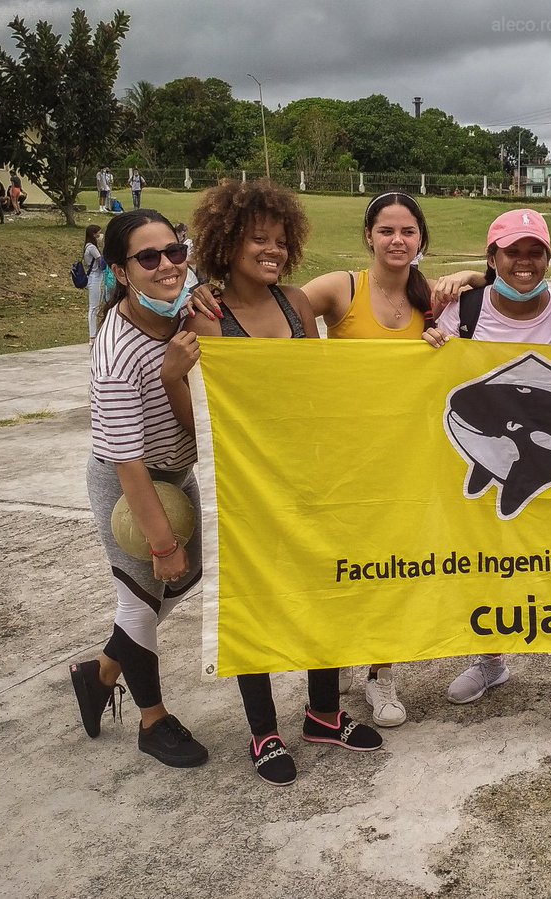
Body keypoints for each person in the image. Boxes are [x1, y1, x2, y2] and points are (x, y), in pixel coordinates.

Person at [186, 191, 473, 729]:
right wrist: (196, 286)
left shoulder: (416, 299)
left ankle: (352, 691)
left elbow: (493, 286)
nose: (396, 240)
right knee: (283, 585)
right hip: (283, 469)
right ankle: (277, 724)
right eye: (386, 230)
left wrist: (469, 282)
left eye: (408, 231)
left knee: (362, 575)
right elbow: (210, 339)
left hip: (372, 461)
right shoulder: (319, 293)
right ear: (368, 235)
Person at [163, 179, 383, 786]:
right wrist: (173, 380)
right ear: (227, 241)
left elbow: (316, 387)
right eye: (259, 239)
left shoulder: (296, 304)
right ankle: (263, 732)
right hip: (248, 484)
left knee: (325, 588)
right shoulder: (206, 315)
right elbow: (201, 422)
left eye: (281, 241)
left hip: (312, 474)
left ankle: (323, 713)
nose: (273, 251)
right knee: (255, 600)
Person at [423, 209, 551, 731]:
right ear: (492, 256)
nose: (524, 262)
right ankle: (490, 660)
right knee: (486, 558)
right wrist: (428, 349)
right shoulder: (464, 308)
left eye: (534, 252)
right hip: (485, 454)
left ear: (547, 256)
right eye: (511, 252)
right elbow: (428, 375)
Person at [67, 209, 209, 769]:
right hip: (129, 483)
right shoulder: (116, 355)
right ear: (122, 272)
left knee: (179, 583)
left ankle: (99, 673)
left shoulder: (183, 295)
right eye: (148, 258)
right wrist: (161, 543)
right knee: (141, 598)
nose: (167, 265)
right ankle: (153, 721)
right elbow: (127, 464)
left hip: (176, 472)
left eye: (175, 251)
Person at [83, 224, 105, 340]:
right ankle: (92, 334)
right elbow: (101, 262)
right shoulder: (91, 247)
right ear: (93, 234)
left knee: (99, 305)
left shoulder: (90, 246)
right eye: (98, 233)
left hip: (98, 277)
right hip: (94, 277)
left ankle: (99, 330)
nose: (99, 235)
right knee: (94, 307)